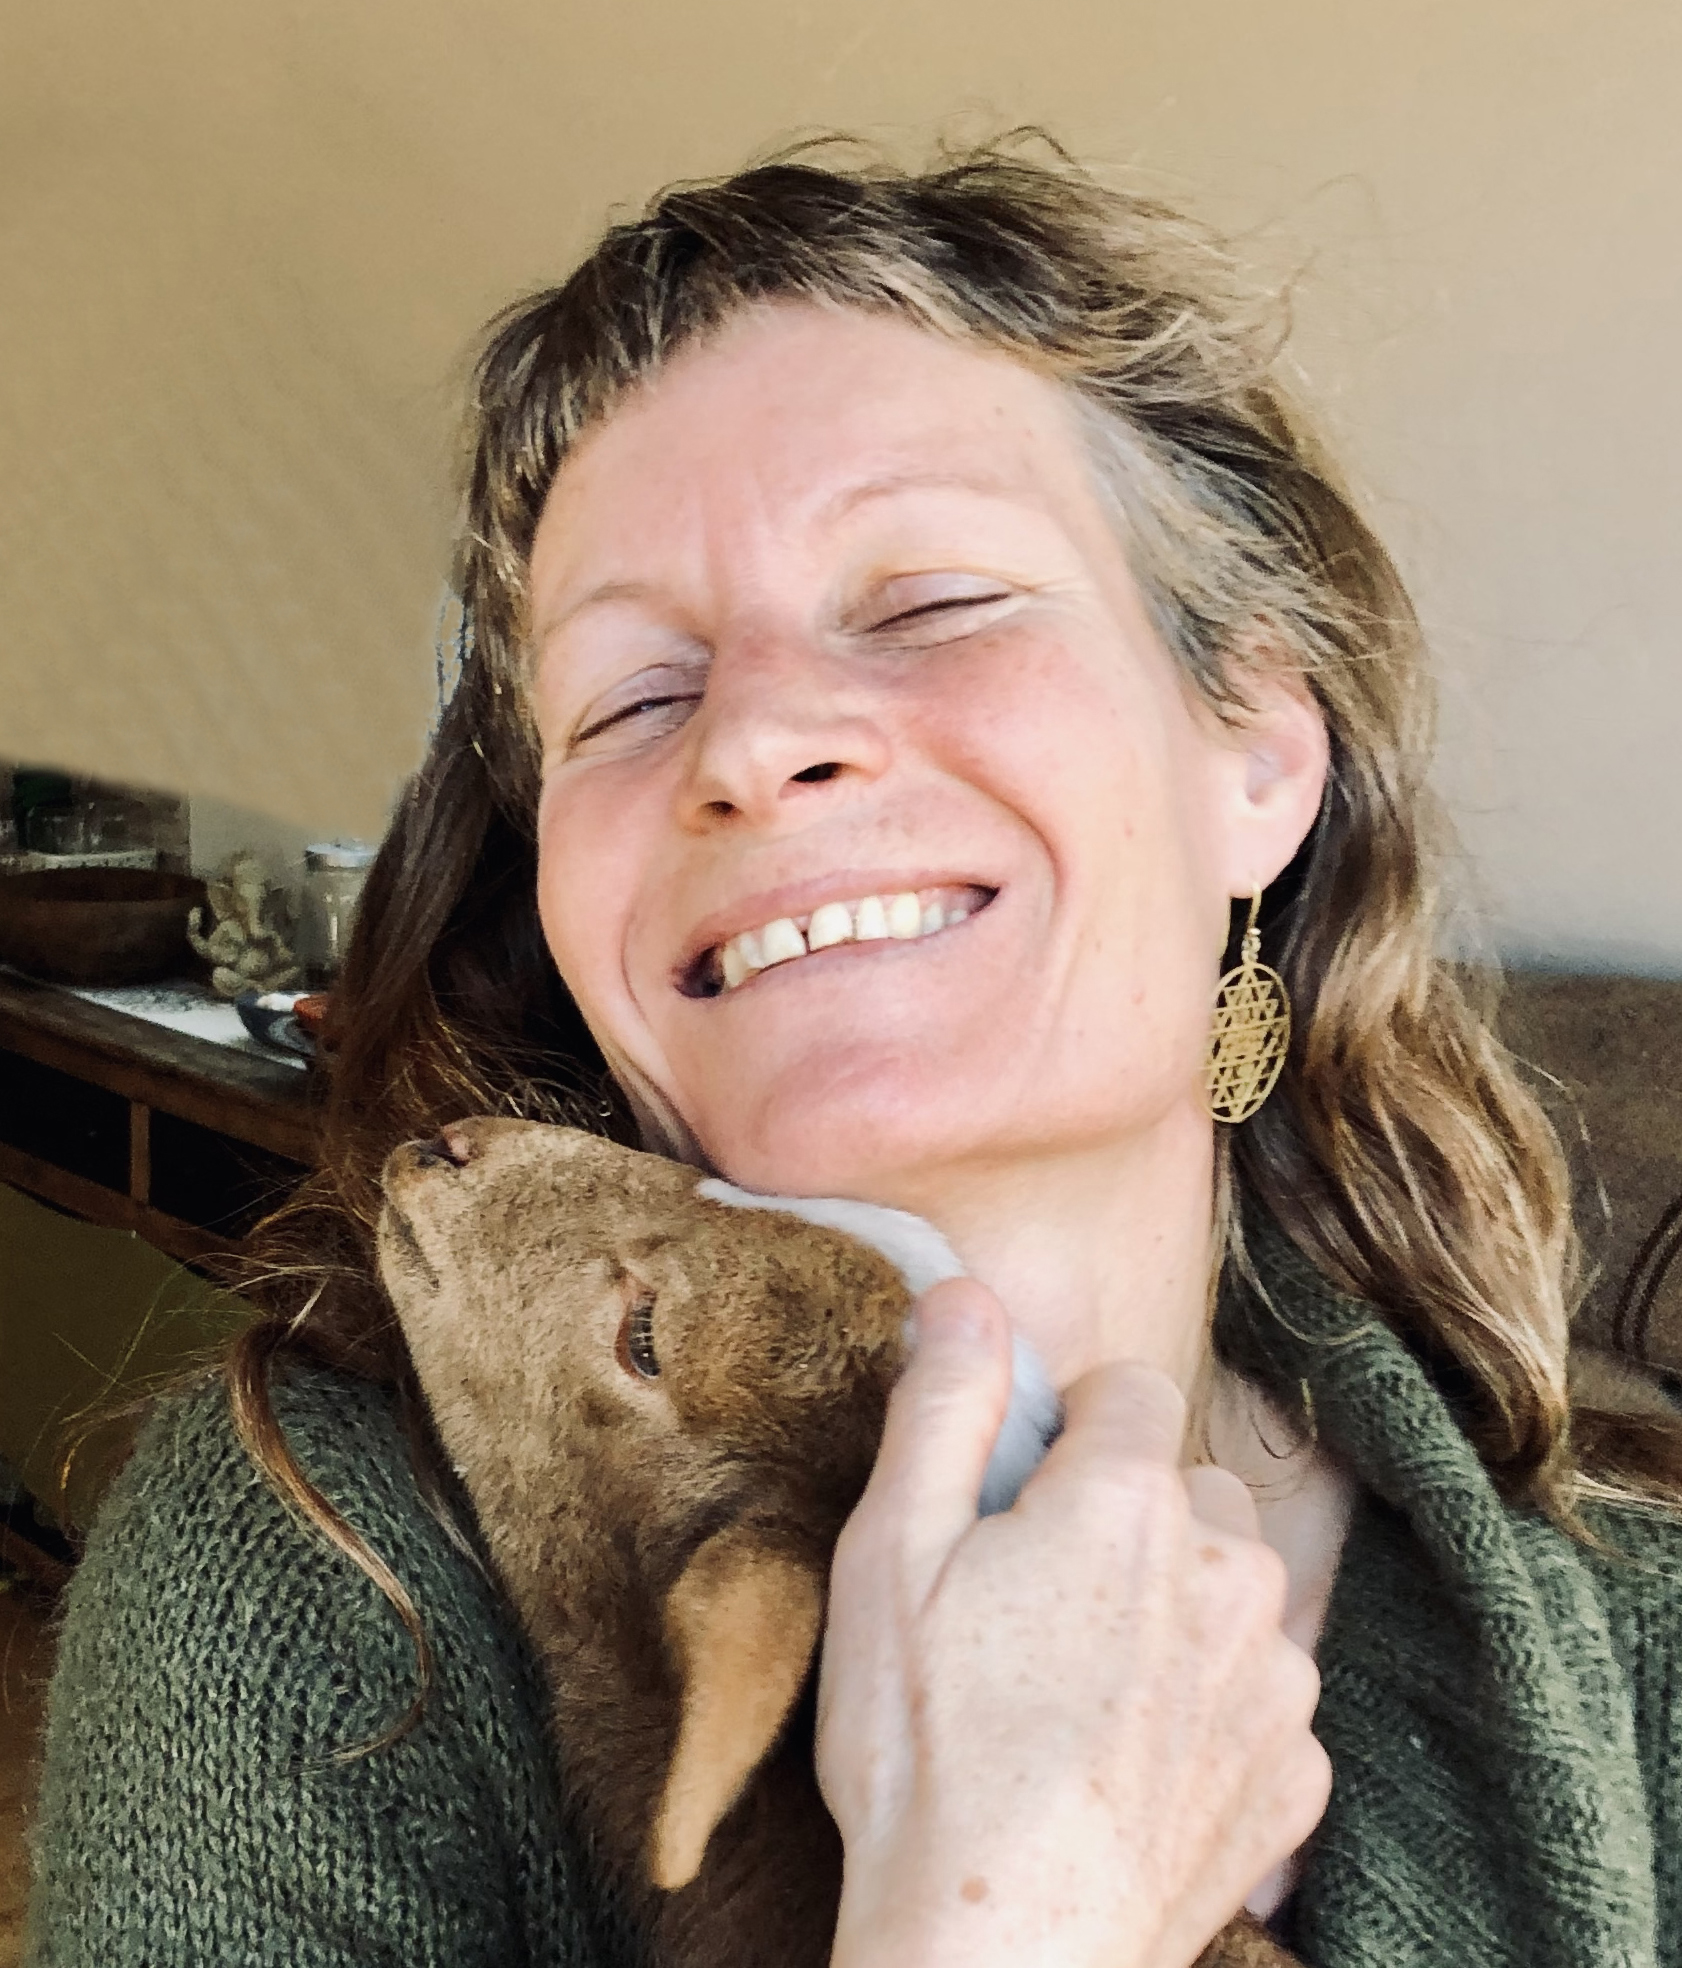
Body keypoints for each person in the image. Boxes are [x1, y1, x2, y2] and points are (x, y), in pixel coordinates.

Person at [24, 137, 1682, 1968]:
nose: (751, 741)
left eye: (928, 604)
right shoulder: (315, 1578)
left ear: (1259, 758)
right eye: (636, 697)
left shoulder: (1652, 1652)